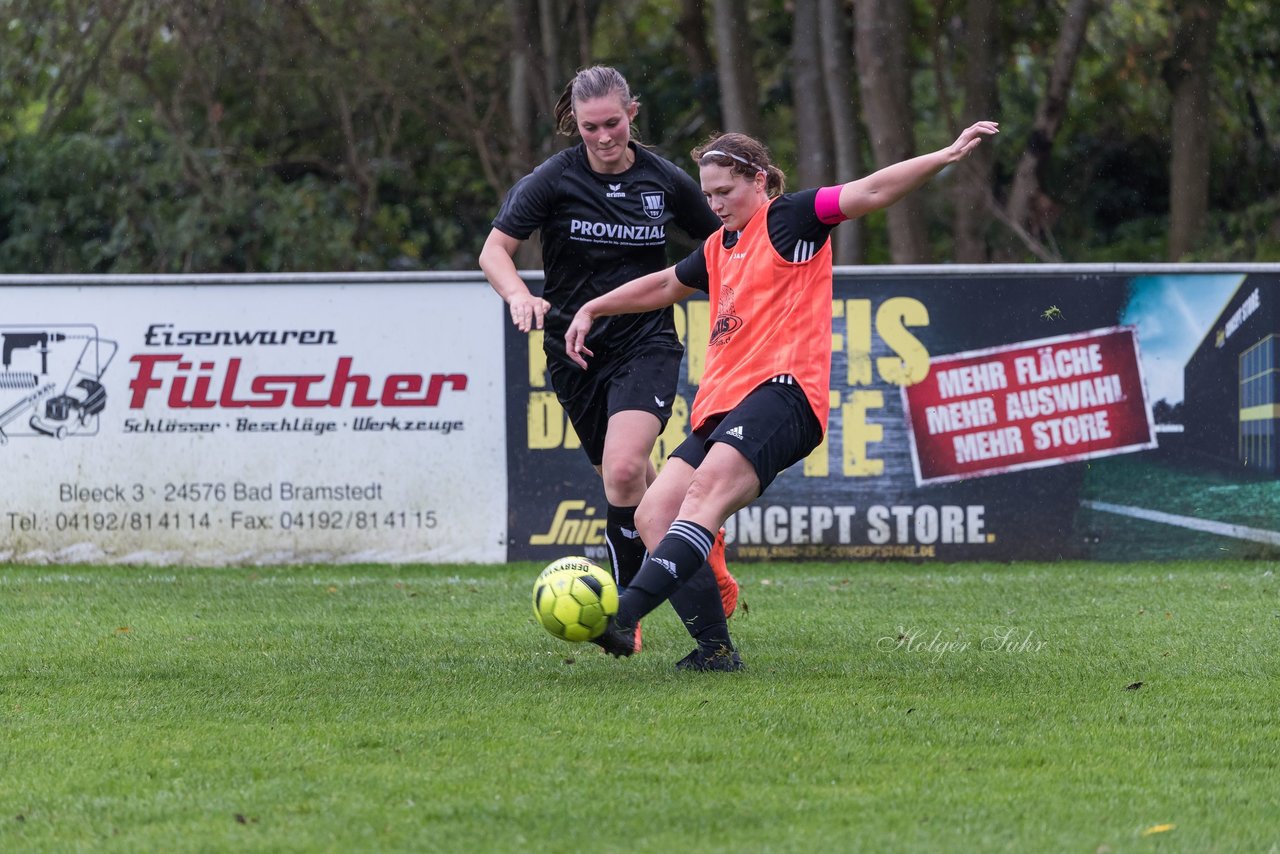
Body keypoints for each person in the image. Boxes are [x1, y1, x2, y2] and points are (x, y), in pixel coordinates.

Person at [565, 120, 1001, 670]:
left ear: (761, 180)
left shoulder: (789, 218)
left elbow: (869, 191)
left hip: (784, 393)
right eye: (707, 195)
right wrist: (593, 306)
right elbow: (663, 285)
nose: (715, 204)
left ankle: (624, 614)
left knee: (701, 500)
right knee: (655, 515)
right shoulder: (719, 246)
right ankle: (715, 653)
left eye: (725, 191)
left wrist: (943, 154)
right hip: (721, 407)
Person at [479, 66, 740, 647]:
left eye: (613, 124)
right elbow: (494, 251)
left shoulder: (664, 180)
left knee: (623, 472)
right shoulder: (552, 180)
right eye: (591, 126)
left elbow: (721, 241)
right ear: (576, 122)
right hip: (574, 354)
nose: (603, 137)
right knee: (638, 490)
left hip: (646, 342)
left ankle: (624, 619)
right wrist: (519, 294)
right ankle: (706, 556)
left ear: (633, 114)